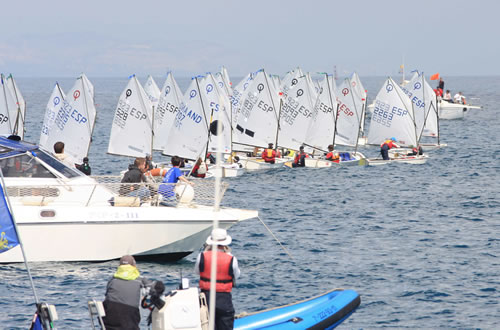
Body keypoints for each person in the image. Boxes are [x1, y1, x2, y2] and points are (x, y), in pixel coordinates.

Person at [195, 228, 240, 330]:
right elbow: (236, 275)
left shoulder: (201, 256)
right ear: (225, 243)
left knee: (206, 324)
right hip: (224, 299)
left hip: (206, 297)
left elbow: (197, 272)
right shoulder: (232, 258)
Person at [102, 255, 152, 330]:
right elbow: (153, 289)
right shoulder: (140, 280)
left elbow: (107, 297)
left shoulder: (112, 280)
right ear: (134, 266)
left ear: (119, 266)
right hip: (129, 324)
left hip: (108, 324)